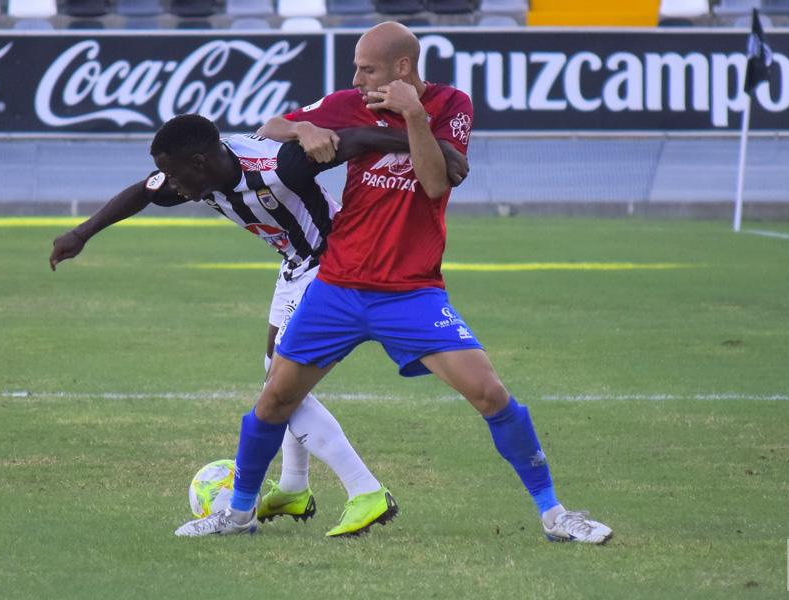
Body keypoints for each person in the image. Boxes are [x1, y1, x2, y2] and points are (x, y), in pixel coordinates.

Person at [174, 22, 613, 544]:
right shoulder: (348, 102)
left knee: (491, 394)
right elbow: (269, 127)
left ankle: (555, 514)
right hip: (336, 286)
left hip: (411, 292)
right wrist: (303, 130)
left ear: (403, 68)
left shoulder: (451, 105)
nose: (356, 78)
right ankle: (238, 513)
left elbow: (433, 181)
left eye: (367, 68)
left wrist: (413, 114)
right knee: (273, 401)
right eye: (356, 67)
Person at [50, 113, 469, 537]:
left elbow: (356, 137)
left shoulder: (280, 166)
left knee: (280, 389)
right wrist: (81, 234)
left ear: (198, 162)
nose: (170, 184)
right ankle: (293, 487)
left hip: (334, 267)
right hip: (296, 267)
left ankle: (365, 490)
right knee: (278, 377)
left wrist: (430, 145)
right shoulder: (196, 176)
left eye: (174, 175)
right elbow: (143, 192)